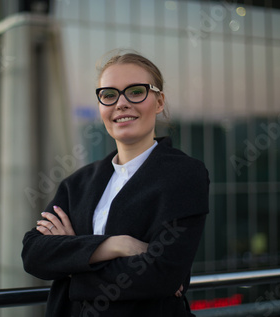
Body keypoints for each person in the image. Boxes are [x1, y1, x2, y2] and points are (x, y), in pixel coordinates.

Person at [22, 51, 210, 317]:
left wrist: (72, 267)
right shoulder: (77, 183)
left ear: (159, 102)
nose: (121, 103)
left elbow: (161, 274)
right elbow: (33, 254)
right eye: (109, 95)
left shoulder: (184, 175)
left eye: (135, 91)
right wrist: (113, 245)